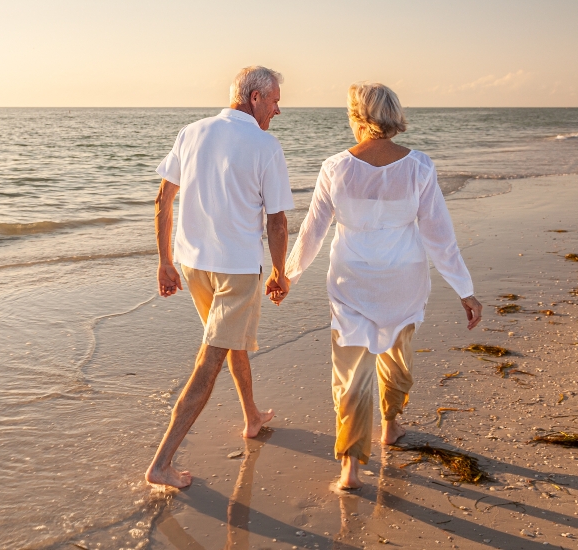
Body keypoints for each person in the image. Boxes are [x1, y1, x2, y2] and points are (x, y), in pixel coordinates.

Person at [280, 82, 483, 490]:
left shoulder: (335, 166)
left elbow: (312, 233)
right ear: (392, 116)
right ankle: (390, 426)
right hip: (403, 282)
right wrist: (465, 289)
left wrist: (288, 275)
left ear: (358, 117)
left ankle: (351, 468)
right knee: (397, 358)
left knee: (351, 374)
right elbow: (439, 236)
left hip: (351, 281)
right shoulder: (420, 166)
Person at [144, 66, 294, 489]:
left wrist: (165, 262)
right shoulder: (265, 145)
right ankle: (162, 463)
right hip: (237, 270)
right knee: (211, 357)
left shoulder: (191, 132)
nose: (279, 109)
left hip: (193, 265)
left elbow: (162, 200)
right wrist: (281, 272)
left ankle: (250, 416)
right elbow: (278, 221)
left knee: (230, 341)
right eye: (275, 100)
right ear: (255, 98)